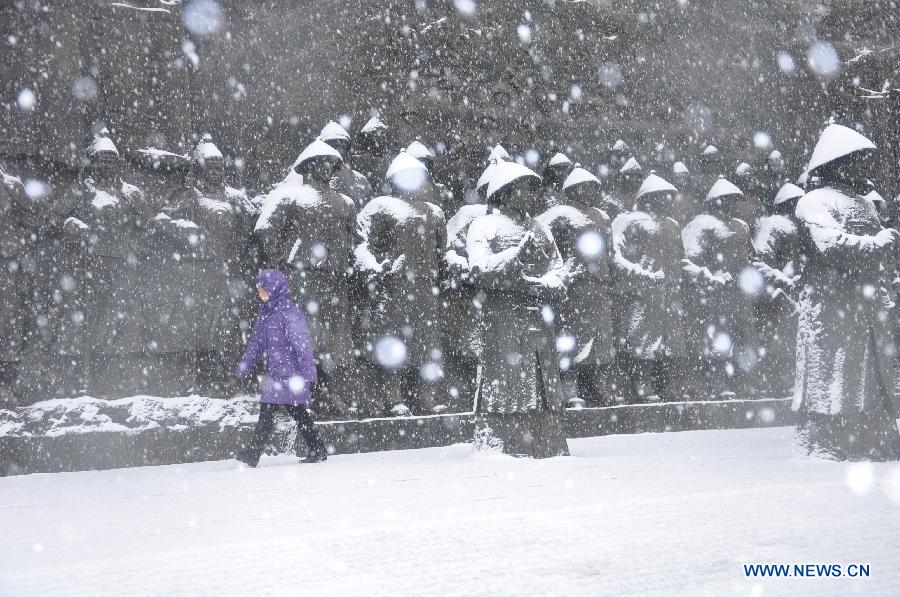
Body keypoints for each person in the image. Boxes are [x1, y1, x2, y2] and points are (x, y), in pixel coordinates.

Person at [792, 123, 900, 460]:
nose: (861, 167)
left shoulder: (864, 202)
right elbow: (830, 244)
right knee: (833, 371)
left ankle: (872, 435)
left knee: (867, 369)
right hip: (831, 303)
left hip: (865, 303)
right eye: (855, 160)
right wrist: (875, 243)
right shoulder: (813, 201)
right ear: (836, 163)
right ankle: (829, 439)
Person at [466, 160, 568, 458]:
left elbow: (558, 268)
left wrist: (544, 283)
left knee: (542, 379)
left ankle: (545, 443)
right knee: (507, 382)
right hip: (503, 316)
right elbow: (480, 269)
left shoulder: (539, 228)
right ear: (505, 192)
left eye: (530, 190)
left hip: (537, 315)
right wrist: (514, 256)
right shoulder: (484, 226)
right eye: (521, 189)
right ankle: (504, 445)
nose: (528, 195)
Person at [537, 164, 616, 407]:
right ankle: (569, 389)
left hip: (599, 284)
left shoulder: (602, 216)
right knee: (571, 339)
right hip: (574, 285)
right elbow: (541, 238)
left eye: (591, 187)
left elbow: (609, 252)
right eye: (582, 187)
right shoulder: (560, 213)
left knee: (599, 340)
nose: (588, 191)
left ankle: (595, 386)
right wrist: (559, 269)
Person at [234, 269, 327, 467]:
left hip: (292, 374)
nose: (260, 294)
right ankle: (318, 448)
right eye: (259, 291)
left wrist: (309, 372)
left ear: (275, 289)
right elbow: (256, 343)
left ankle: (253, 453)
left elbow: (302, 344)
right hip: (276, 373)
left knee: (271, 412)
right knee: (297, 413)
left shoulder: (289, 312)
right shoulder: (265, 313)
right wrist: (245, 365)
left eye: (263, 290)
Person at [612, 173, 687, 402]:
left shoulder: (672, 225)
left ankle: (669, 385)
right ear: (647, 197)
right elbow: (615, 256)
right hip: (640, 292)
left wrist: (696, 273)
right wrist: (642, 274)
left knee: (671, 342)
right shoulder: (628, 221)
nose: (665, 200)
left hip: (668, 292)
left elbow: (681, 258)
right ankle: (642, 385)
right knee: (641, 340)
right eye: (660, 196)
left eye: (667, 196)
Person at [681, 176, 758, 400]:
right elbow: (690, 257)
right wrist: (710, 276)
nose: (729, 204)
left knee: (746, 337)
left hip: (740, 291)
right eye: (724, 199)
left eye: (732, 199)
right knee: (719, 339)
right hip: (716, 293)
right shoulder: (701, 224)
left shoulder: (741, 226)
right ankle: (719, 382)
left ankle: (745, 381)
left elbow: (751, 256)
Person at [751, 182, 804, 397]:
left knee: (787, 341)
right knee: (777, 343)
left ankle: (785, 381)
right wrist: (783, 280)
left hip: (793, 294)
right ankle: (776, 382)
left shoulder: (801, 225)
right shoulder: (773, 225)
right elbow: (760, 261)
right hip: (776, 296)